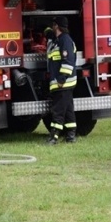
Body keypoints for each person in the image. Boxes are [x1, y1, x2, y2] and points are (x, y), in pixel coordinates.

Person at [45, 16, 77, 145]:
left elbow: (68, 62)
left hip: (63, 83)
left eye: (53, 24)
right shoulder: (58, 40)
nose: (52, 27)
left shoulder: (65, 41)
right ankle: (71, 135)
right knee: (68, 110)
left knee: (58, 110)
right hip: (64, 83)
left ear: (57, 26)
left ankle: (54, 137)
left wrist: (62, 79)